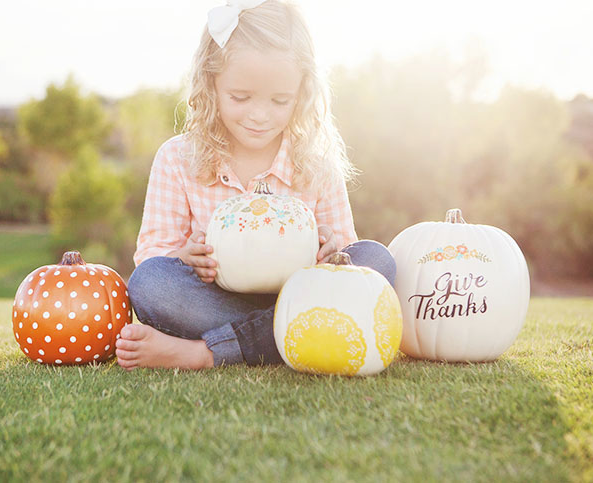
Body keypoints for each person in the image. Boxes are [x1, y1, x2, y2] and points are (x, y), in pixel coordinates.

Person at [115, 0, 396, 370]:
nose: (259, 116)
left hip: (300, 295)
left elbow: (346, 255)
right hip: (216, 300)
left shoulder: (315, 161)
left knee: (377, 261)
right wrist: (183, 256)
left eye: (280, 100)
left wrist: (330, 248)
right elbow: (153, 255)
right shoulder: (178, 158)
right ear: (210, 84)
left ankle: (206, 354)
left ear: (302, 93)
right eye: (240, 97)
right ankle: (278, 338)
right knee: (150, 283)